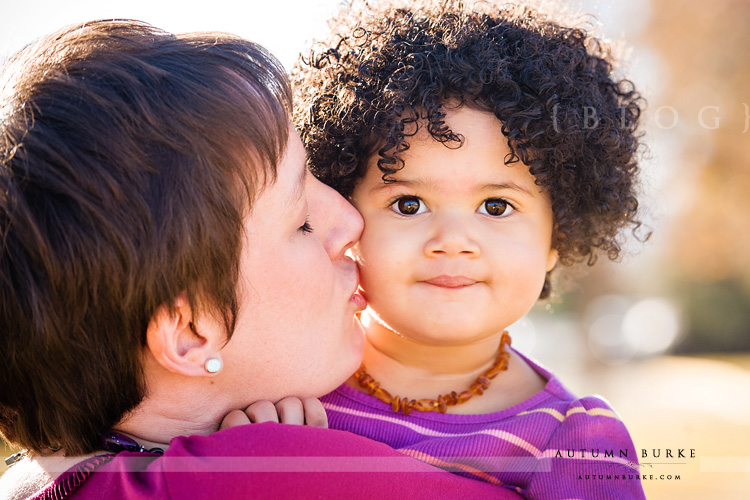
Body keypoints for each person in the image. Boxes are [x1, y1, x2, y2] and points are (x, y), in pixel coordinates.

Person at [0, 20, 524, 499]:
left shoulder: (34, 482)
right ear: (188, 330)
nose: (350, 219)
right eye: (300, 222)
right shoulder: (267, 471)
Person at [292, 1, 648, 498]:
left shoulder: (573, 444)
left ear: (557, 237)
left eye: (497, 207)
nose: (453, 241)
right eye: (409, 204)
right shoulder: (283, 381)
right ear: (343, 215)